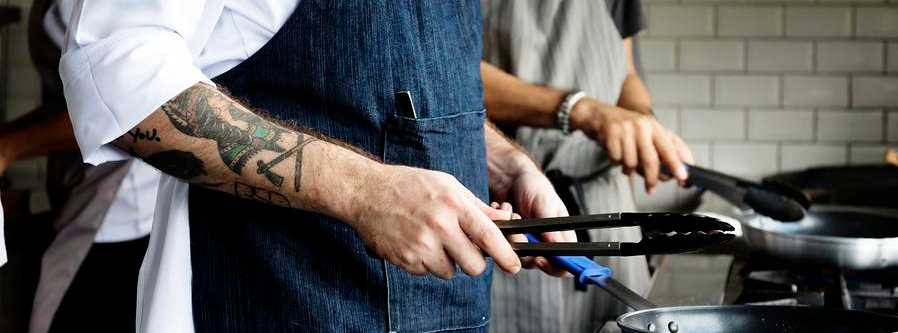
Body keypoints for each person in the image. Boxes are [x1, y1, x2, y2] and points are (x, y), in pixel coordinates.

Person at [59, 1, 572, 332]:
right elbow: (119, 77)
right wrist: (363, 191)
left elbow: (395, 83)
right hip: (266, 302)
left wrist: (505, 163)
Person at [480, 1, 696, 332]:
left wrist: (640, 122)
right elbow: (446, 77)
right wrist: (579, 110)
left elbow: (625, 72)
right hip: (509, 215)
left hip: (605, 210)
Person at [0, 1, 155, 332]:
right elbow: (72, 103)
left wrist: (10, 148)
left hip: (119, 209)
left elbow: (118, 110)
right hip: (77, 188)